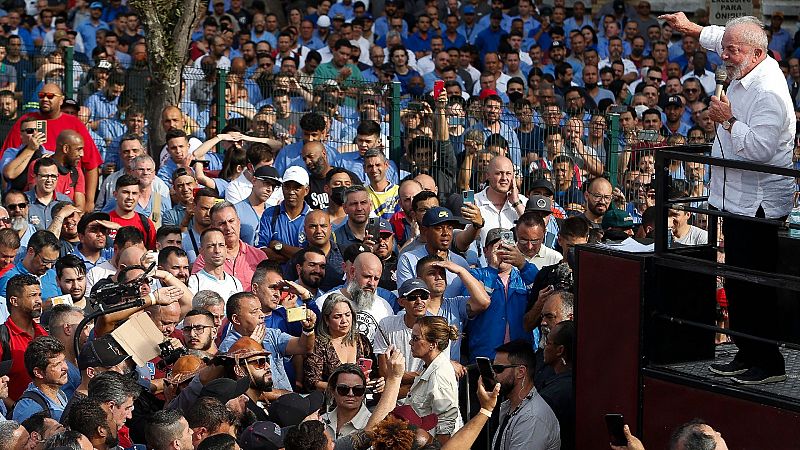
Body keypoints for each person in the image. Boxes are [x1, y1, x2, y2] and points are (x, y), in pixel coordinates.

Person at [660, 12, 795, 384]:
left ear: (755, 54)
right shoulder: (746, 56)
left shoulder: (769, 93)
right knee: (736, 281)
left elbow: (761, 150)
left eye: (733, 51)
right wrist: (690, 28)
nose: (725, 55)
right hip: (734, 198)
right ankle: (747, 350)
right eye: (726, 49)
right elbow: (722, 36)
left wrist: (729, 120)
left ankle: (768, 363)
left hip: (758, 203)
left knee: (755, 284)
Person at [219, 292, 317, 392]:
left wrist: (308, 329)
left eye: (260, 310)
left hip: (286, 400)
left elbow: (304, 347)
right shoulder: (229, 347)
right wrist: (251, 345)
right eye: (254, 312)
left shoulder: (270, 334)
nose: (262, 315)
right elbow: (240, 390)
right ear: (236, 319)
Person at [401, 316, 461, 444]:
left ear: (433, 344)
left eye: (416, 338)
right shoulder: (429, 367)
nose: (411, 342)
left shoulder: (440, 374)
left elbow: (445, 425)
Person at [304, 293, 381, 392]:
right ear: (327, 320)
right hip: (330, 402)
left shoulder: (362, 340)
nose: (344, 320)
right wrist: (344, 389)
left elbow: (373, 374)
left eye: (347, 315)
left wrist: (378, 382)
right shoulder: (318, 344)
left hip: (361, 399)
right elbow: (312, 382)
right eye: (337, 316)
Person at [491, 340, 560, 449]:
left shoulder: (532, 417)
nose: (494, 375)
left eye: (498, 369)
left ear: (521, 372)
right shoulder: (510, 406)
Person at [13, 336, 69, 422]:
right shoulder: (30, 408)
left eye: (64, 361)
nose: (65, 367)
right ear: (38, 373)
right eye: (57, 364)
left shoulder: (60, 394)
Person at [539, 320, 576, 450]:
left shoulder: (552, 395)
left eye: (548, 343)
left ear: (560, 350)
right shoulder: (581, 385)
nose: (544, 346)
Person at [0, 230, 60, 300]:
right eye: (45, 261)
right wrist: (43, 307)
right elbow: (4, 309)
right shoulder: (9, 278)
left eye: (53, 262)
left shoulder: (53, 275)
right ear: (31, 251)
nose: (49, 266)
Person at [187, 228, 243, 301]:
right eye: (211, 246)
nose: (217, 250)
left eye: (221, 245)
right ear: (201, 251)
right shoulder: (195, 282)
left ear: (226, 249)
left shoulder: (235, 283)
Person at [320, 363, 372, 439]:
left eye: (357, 390)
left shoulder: (373, 425)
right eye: (343, 389)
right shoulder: (321, 421)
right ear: (333, 391)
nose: (351, 394)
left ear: (364, 392)